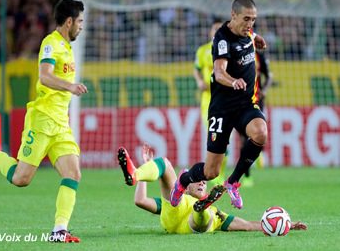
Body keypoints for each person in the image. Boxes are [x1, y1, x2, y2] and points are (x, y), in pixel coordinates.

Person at [0, 0, 87, 243]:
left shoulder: (67, 46)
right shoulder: (50, 44)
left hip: (60, 124)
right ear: (69, 21)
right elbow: (44, 77)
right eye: (80, 21)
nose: (82, 26)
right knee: (21, 179)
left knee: (73, 174)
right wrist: (70, 86)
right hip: (41, 120)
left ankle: (59, 230)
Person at [171, 0, 268, 210]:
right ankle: (183, 181)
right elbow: (219, 72)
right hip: (222, 109)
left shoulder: (248, 31)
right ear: (233, 15)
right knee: (211, 171)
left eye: (253, 19)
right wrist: (233, 82)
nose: (250, 23)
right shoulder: (222, 39)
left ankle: (233, 182)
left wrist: (257, 36)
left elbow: (251, 32)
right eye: (246, 19)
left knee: (261, 132)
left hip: (245, 104)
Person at [118, 144, 307, 234]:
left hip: (191, 223)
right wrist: (144, 173)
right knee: (165, 164)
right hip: (176, 208)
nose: (202, 182)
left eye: (203, 181)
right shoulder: (181, 195)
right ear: (187, 184)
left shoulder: (217, 213)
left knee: (206, 215)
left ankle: (201, 207)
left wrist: (286, 226)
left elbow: (248, 225)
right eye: (197, 181)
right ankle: (135, 174)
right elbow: (140, 201)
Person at [193, 21, 226, 185]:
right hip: (209, 102)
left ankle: (220, 171)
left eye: (221, 29)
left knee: (225, 138)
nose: (217, 31)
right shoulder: (203, 51)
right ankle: (216, 173)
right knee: (214, 136)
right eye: (215, 28)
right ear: (210, 32)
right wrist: (199, 81)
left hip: (226, 100)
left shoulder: (229, 49)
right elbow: (196, 69)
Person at [241, 50, 273, 187]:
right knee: (243, 138)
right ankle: (247, 175)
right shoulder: (237, 52)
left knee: (259, 132)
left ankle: (258, 152)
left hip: (257, 101)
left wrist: (264, 90)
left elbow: (269, 76)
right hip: (241, 101)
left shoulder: (259, 55)